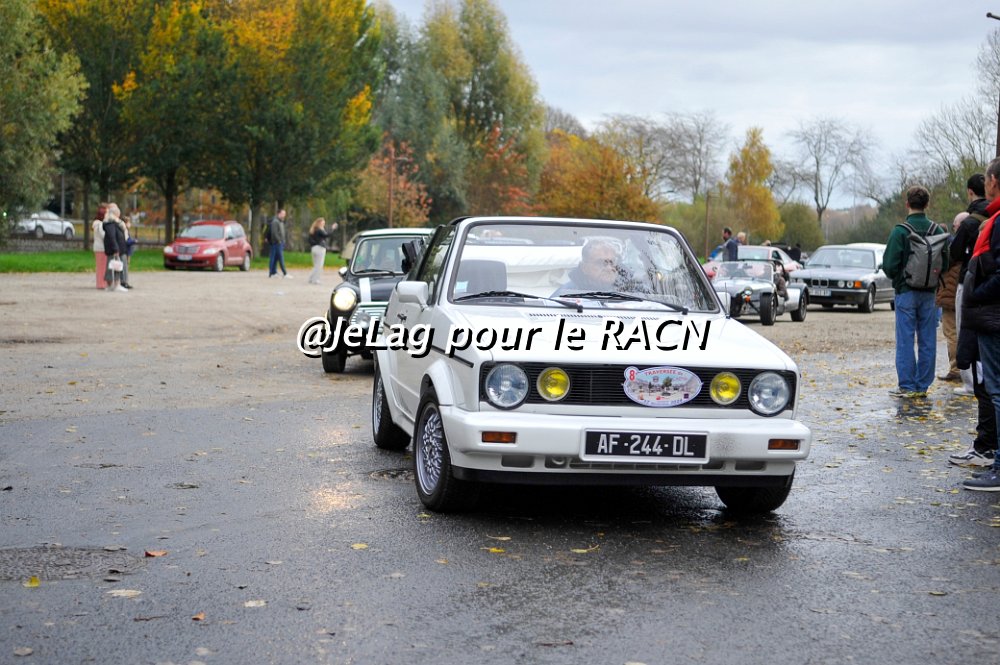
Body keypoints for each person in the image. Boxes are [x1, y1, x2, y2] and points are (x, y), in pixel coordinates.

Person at [883, 185, 948, 398]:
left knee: (906, 339)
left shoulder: (900, 231)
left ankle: (907, 386)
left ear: (907, 204)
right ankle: (922, 385)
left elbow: (889, 265)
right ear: (927, 204)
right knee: (928, 339)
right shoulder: (937, 231)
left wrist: (900, 278)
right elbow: (945, 263)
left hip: (906, 291)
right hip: (929, 293)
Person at [961, 157, 1000, 490]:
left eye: (987, 179)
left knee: (995, 391)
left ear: (993, 181)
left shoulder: (998, 221)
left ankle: (997, 466)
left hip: (992, 317)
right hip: (990, 315)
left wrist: (976, 295)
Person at [951, 173, 990, 395]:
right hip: (992, 281)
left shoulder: (969, 223)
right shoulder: (994, 215)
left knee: (964, 328)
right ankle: (989, 377)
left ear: (970, 192)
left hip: (969, 280)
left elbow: (954, 253)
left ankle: (970, 382)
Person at [935, 211, 968, 382]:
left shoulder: (953, 245)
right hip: (965, 293)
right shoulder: (973, 241)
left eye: (954, 226)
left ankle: (956, 369)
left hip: (950, 293)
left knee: (951, 332)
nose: (953, 228)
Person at [553, 239, 622, 295]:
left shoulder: (625, 291)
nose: (609, 268)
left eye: (612, 262)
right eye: (601, 263)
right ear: (584, 268)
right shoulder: (566, 295)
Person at [101, 202, 128, 293]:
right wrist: (116, 248)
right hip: (114, 249)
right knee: (115, 266)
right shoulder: (111, 223)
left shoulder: (112, 222)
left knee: (113, 266)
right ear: (115, 214)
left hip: (115, 248)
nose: (119, 216)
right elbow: (112, 237)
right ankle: (116, 285)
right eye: (118, 214)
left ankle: (112, 285)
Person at [307, 217, 336, 285]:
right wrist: (332, 228)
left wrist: (314, 244)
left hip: (313, 248)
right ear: (319, 223)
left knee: (315, 265)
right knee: (319, 265)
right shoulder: (319, 230)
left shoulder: (313, 230)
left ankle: (311, 278)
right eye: (323, 223)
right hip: (320, 248)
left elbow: (309, 240)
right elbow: (327, 235)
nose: (324, 224)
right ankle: (315, 280)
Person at [268, 209, 290, 278]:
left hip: (280, 243)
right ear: (279, 214)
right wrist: (279, 241)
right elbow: (274, 233)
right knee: (279, 258)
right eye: (283, 214)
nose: (284, 215)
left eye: (284, 214)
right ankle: (284, 273)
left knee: (276, 258)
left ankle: (274, 272)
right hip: (276, 243)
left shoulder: (280, 222)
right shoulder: (275, 222)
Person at [91, 203, 108, 290]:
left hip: (98, 247)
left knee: (101, 266)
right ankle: (101, 283)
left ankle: (101, 283)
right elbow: (103, 235)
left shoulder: (96, 223)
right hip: (101, 248)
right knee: (102, 266)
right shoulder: (100, 224)